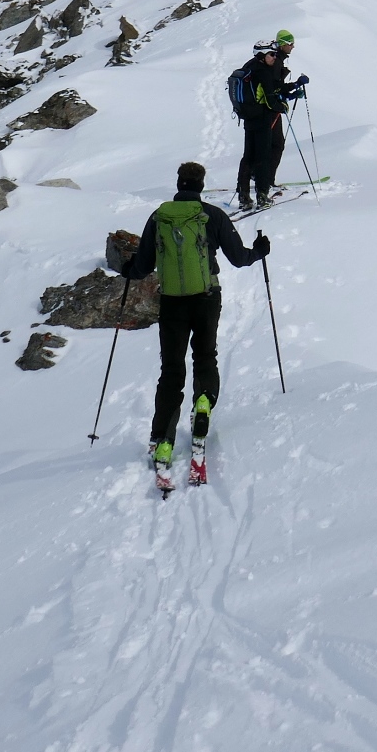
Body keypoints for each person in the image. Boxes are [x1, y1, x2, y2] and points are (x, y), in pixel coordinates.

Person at [118, 160, 270, 487]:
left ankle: (163, 439)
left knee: (171, 370)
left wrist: (128, 269)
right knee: (205, 358)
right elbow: (239, 258)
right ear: (201, 185)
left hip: (172, 301)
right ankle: (203, 404)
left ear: (178, 183)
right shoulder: (212, 216)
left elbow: (143, 265)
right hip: (206, 297)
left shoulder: (159, 216)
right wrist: (259, 251)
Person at [231, 29, 309, 210]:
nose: (274, 57)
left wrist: (291, 87)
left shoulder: (250, 66)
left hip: (248, 117)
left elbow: (272, 89)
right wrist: (283, 105)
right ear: (262, 55)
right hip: (263, 118)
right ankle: (262, 195)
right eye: (271, 54)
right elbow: (271, 96)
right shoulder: (264, 72)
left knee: (248, 156)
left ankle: (243, 196)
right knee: (263, 156)